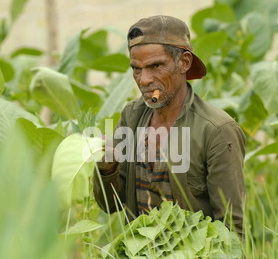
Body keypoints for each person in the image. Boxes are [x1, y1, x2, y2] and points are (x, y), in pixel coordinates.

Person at [93, 15, 246, 237]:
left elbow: (233, 229)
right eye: (136, 69)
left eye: (156, 66)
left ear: (183, 63)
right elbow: (110, 205)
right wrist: (107, 169)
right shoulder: (132, 117)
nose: (144, 80)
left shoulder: (216, 130)